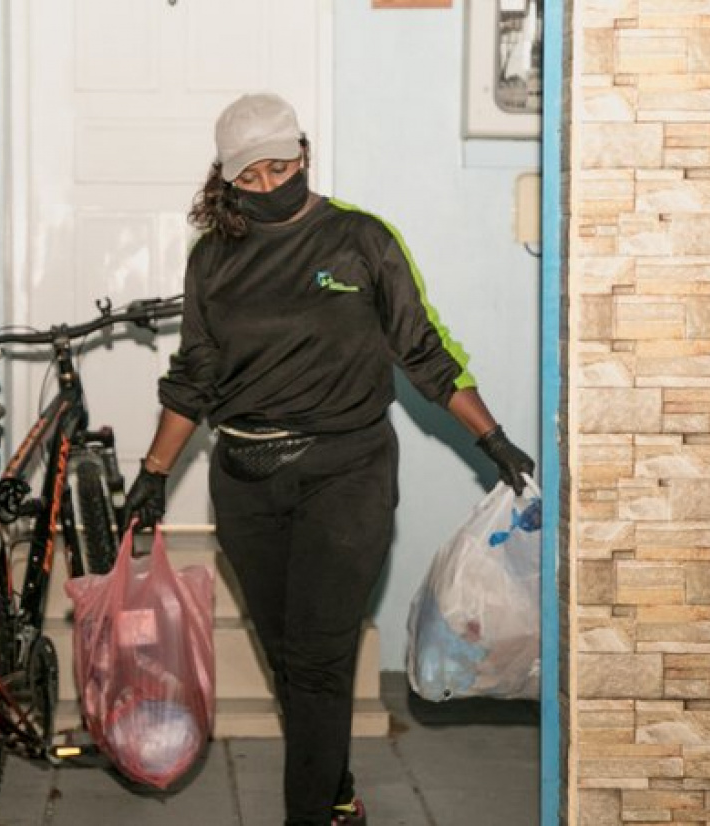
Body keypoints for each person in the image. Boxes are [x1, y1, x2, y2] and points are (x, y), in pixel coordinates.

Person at [122, 91, 535, 826]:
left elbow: (424, 348)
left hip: (347, 475)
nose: (267, 186)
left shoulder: (360, 240)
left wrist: (492, 437)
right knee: (290, 658)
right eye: (249, 178)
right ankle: (337, 792)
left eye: (279, 169)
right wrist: (154, 474)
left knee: (315, 662)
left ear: (303, 155)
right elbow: (194, 376)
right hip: (246, 482)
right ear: (227, 178)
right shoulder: (213, 257)